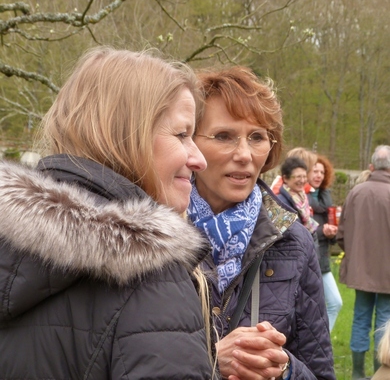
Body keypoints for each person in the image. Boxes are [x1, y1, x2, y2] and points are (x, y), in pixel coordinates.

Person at [0, 47, 215, 379]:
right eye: (182, 135)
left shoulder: (10, 249)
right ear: (126, 136)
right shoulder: (148, 273)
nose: (199, 159)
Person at [188, 66, 336, 380]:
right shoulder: (151, 237)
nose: (244, 154)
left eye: (256, 137)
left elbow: (320, 373)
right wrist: (211, 361)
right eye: (224, 136)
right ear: (189, 142)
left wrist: (283, 367)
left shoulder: (294, 243)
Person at [337, 145, 390, 379]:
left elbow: (341, 234)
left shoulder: (356, 192)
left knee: (360, 317)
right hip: (387, 271)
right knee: (385, 320)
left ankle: (358, 374)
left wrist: (355, 255)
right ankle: (382, 372)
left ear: (371, 166)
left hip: (361, 269)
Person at [307, 154, 342, 332]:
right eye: (315, 171)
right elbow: (303, 229)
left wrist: (332, 232)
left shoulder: (326, 198)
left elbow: (332, 231)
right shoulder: (302, 198)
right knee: (315, 307)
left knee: (335, 303)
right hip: (308, 259)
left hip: (323, 260)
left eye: (322, 172)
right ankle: (318, 345)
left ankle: (320, 343)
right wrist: (323, 230)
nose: (319, 175)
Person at [277, 156, 319, 237]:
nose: (302, 180)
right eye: (298, 177)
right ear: (285, 178)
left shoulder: (304, 200)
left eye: (304, 176)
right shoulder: (280, 203)